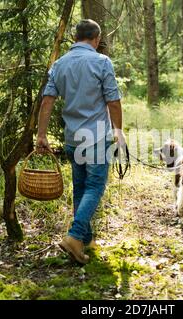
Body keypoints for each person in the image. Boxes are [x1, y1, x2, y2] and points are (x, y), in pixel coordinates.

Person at [36, 19, 125, 264]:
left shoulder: (59, 64)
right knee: (95, 186)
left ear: (76, 38)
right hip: (96, 137)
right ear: (96, 39)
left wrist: (41, 135)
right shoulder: (101, 61)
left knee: (81, 186)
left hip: (73, 138)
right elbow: (113, 101)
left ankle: (85, 240)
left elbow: (47, 101)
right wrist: (118, 130)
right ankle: (74, 237)